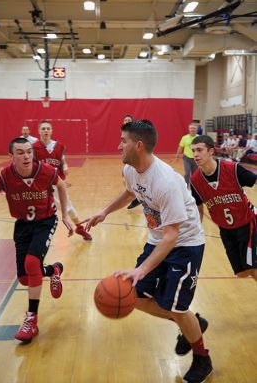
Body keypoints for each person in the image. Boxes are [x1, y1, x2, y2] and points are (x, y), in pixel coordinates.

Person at [83, 120, 213, 383]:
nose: (118, 145)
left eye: (123, 141)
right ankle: (191, 323)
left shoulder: (166, 182)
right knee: (135, 295)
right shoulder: (131, 169)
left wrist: (142, 269)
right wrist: (105, 211)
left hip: (185, 246)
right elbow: (130, 192)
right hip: (157, 240)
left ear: (138, 145)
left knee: (175, 308)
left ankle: (202, 357)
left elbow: (172, 235)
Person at [0, 137, 73, 343]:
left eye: (29, 151)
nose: (26, 156)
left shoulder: (44, 170)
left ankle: (31, 319)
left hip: (45, 221)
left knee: (31, 262)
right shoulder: (5, 176)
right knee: (25, 278)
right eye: (20, 152)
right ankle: (54, 270)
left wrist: (64, 216)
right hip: (23, 225)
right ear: (11, 157)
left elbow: (62, 187)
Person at [190, 135, 257, 281]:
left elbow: (254, 180)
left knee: (253, 268)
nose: (195, 154)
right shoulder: (195, 180)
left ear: (211, 152)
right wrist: (195, 232)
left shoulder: (232, 169)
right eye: (193, 150)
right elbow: (199, 210)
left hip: (248, 223)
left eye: (199, 150)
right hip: (226, 230)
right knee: (242, 273)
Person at [33, 120, 92, 241]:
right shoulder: (33, 148)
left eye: (48, 128)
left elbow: (62, 160)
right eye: (43, 128)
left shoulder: (58, 146)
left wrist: (65, 167)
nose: (45, 131)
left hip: (56, 183)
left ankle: (79, 227)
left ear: (51, 131)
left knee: (69, 208)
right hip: (39, 186)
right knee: (37, 210)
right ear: (39, 131)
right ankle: (35, 233)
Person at [122, 115, 140, 210]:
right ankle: (135, 197)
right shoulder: (124, 132)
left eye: (129, 120)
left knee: (129, 179)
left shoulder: (134, 132)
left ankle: (136, 198)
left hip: (132, 158)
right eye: (125, 120)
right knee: (125, 179)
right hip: (126, 158)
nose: (127, 121)